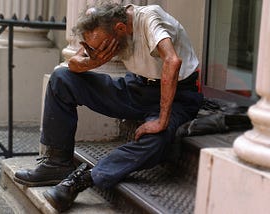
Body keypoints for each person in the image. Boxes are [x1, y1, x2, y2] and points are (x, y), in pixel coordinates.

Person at [14, 2, 203, 212]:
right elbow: (75, 62)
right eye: (92, 46)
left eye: (100, 45)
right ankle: (56, 164)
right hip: (137, 87)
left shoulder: (150, 17)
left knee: (157, 141)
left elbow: (172, 61)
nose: (95, 50)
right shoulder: (101, 22)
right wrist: (90, 63)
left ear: (120, 29)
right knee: (62, 78)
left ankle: (83, 179)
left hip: (178, 94)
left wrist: (162, 120)